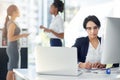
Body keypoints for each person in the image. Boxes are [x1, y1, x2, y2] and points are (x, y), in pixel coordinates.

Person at [3, 4, 29, 80]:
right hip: (13, 49)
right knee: (11, 70)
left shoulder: (12, 22)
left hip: (14, 48)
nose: (19, 11)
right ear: (14, 12)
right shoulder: (12, 24)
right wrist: (22, 35)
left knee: (13, 70)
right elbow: (10, 38)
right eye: (18, 10)